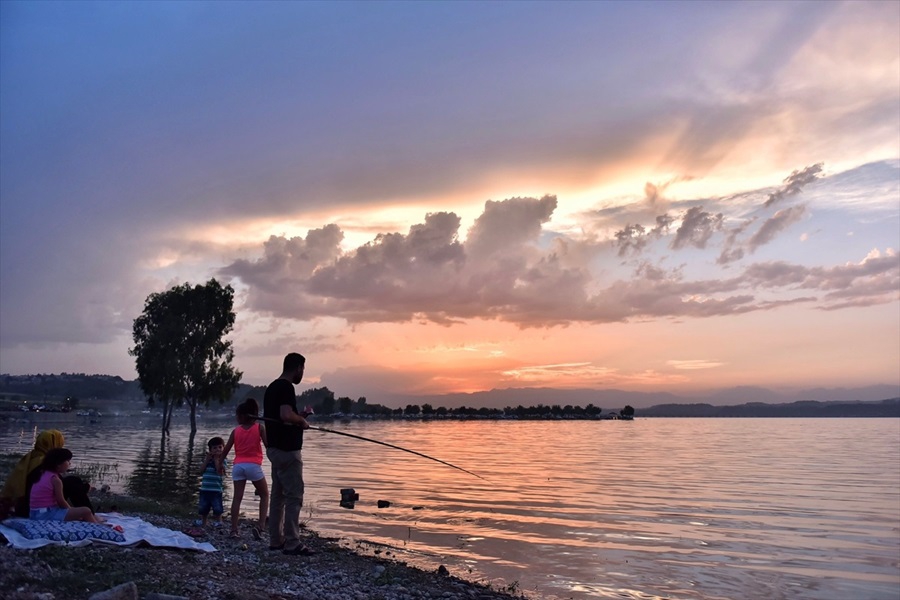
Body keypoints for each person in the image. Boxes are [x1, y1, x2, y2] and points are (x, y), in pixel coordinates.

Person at [263, 352, 314, 555]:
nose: (303, 373)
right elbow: (285, 415)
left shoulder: (272, 388)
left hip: (274, 449)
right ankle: (292, 543)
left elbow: (282, 417)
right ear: (298, 368)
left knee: (278, 496)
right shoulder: (286, 387)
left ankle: (276, 540)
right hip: (287, 452)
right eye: (303, 369)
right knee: (294, 496)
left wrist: (297, 417)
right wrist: (301, 421)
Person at [222, 398, 269, 539]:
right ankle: (260, 526)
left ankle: (234, 530)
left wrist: (219, 464)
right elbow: (268, 446)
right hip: (253, 466)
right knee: (265, 495)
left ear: (243, 416)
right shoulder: (260, 428)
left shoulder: (235, 431)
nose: (236, 418)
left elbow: (225, 451)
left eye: (237, 415)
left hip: (238, 467)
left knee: (237, 498)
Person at [1, 429, 66, 518]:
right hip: (34, 508)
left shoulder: (30, 458)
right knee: (74, 482)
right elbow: (57, 484)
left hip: (22, 506)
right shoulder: (44, 462)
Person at [28, 447, 101, 523]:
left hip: (34, 514)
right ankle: (97, 527)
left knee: (77, 512)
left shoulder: (42, 474)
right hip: (47, 515)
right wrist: (73, 512)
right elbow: (61, 502)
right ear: (58, 464)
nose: (70, 463)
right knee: (86, 511)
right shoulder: (55, 480)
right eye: (68, 461)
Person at [194, 436, 227, 528]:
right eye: (215, 448)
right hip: (205, 488)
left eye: (220, 447)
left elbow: (219, 471)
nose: (218, 449)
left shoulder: (223, 461)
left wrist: (216, 459)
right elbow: (201, 470)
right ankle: (204, 521)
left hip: (216, 489)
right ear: (210, 449)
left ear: (223, 448)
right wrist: (207, 460)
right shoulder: (207, 461)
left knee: (217, 507)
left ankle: (219, 521)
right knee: (203, 507)